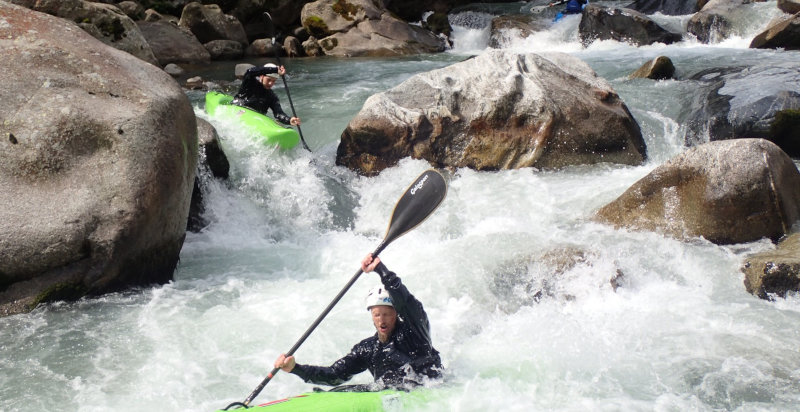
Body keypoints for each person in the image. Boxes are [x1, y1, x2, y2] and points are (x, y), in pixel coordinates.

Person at [274, 254, 443, 390]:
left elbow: (406, 302)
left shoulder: (414, 333)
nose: (382, 320)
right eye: (377, 315)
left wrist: (380, 269)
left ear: (396, 313)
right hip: (387, 394)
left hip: (426, 388)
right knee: (339, 390)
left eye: (386, 314)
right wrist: (295, 369)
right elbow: (335, 375)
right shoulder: (368, 348)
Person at [232, 63, 300, 126]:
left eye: (273, 81)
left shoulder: (272, 96)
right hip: (238, 109)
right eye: (268, 80)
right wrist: (275, 69)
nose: (271, 83)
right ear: (261, 76)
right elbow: (250, 71)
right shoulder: (249, 83)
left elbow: (278, 114)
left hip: (255, 118)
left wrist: (289, 120)